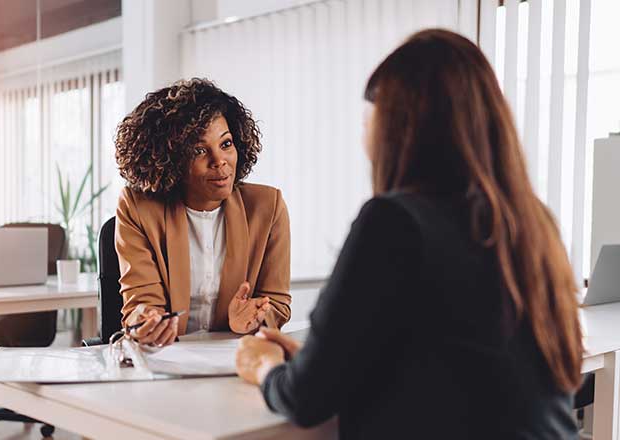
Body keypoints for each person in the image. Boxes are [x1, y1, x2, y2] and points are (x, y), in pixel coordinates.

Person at [235, 29, 583, 439]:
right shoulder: (531, 221)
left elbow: (307, 398)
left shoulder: (394, 222)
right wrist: (316, 361)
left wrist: (265, 367)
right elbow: (446, 362)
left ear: (397, 125)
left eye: (370, 114)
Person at [113, 78, 291, 347]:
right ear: (170, 159)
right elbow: (140, 302)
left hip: (233, 362)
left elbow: (276, 303)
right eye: (198, 150)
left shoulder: (267, 207)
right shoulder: (138, 208)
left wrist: (255, 317)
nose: (219, 160)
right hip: (167, 360)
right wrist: (147, 321)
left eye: (226, 144)